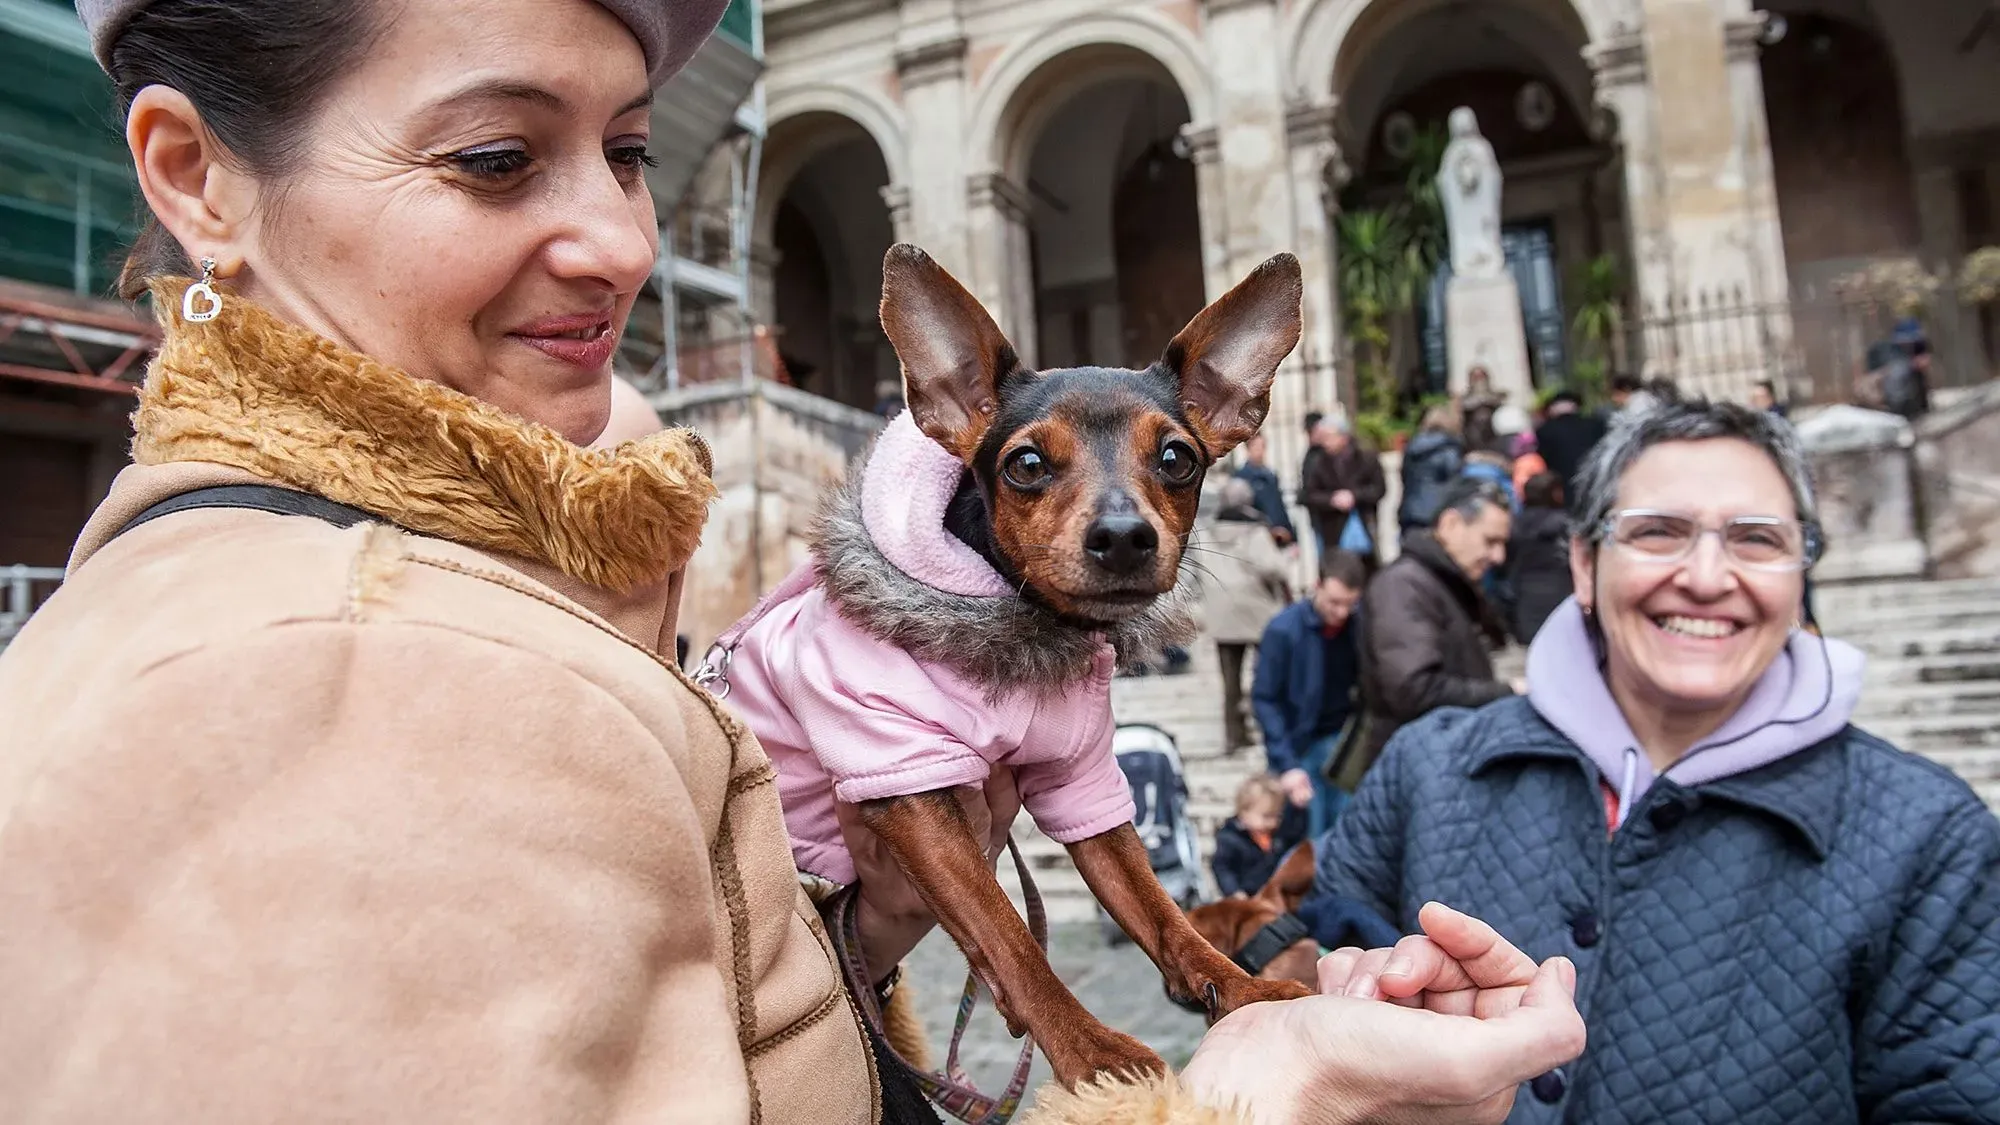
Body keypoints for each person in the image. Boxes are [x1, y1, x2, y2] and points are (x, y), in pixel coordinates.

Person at [0, 4, 1590, 1122]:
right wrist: (1260, 1099)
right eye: (494, 156)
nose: (626, 241)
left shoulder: (497, 588)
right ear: (197, 176)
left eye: (624, 151)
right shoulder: (343, 665)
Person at [1316, 400, 2000, 1124]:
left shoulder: (1930, 838)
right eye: (1657, 532)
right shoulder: (1427, 771)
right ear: (1584, 562)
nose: (1706, 576)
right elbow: (1316, 979)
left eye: (1757, 539)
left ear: (1802, 572)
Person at [1338, 478, 1514, 793]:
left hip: (1435, 763)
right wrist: (1504, 692)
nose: (1498, 556)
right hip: (1414, 774)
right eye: (1490, 541)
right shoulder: (1404, 586)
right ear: (1450, 524)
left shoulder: (1438, 581)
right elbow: (1413, 690)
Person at [1250, 551, 1367, 837]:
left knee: (1347, 834)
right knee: (1307, 842)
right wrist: (1286, 763)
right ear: (1317, 586)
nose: (1341, 613)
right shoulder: (1283, 630)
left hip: (1346, 742)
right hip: (1299, 746)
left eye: (1349, 604)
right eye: (1334, 602)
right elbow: (1265, 699)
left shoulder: (1361, 624)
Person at [1200, 476, 1293, 754]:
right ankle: (1269, 728)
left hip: (1221, 612)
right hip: (1257, 611)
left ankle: (1234, 736)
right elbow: (1273, 568)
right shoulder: (1254, 531)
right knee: (1268, 674)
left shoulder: (1206, 531)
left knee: (1230, 681)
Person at [1302, 414, 1387, 566]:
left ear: (1343, 437)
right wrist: (1332, 500)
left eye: (1329, 436)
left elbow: (1379, 488)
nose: (1325, 442)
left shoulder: (1365, 458)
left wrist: (1354, 496)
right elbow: (1308, 494)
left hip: (1363, 525)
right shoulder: (1316, 461)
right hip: (1332, 531)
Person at [1209, 775, 1308, 898]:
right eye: (1266, 816)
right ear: (1244, 812)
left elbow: (1297, 835)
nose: (1272, 823)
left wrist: (1299, 810)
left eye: (1277, 816)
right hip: (1245, 898)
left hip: (1274, 897)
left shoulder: (1277, 836)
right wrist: (1234, 891)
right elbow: (1223, 869)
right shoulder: (1230, 838)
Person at [1502, 471, 1570, 644]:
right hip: (1561, 596)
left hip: (1523, 598)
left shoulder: (1512, 526)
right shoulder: (1565, 526)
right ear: (1554, 493)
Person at [1398, 404, 1465, 533]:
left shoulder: (1413, 447)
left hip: (1410, 509)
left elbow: (1404, 475)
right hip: (1436, 511)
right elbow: (1456, 479)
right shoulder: (1449, 449)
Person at [1535, 390, 1605, 500]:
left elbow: (1543, 460)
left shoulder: (1544, 430)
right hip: (1596, 484)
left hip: (1564, 489)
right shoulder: (1595, 424)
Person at [1233, 431, 1298, 547]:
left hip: (1280, 536)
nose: (1260, 451)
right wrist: (1268, 528)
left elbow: (1279, 507)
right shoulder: (1242, 477)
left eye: (1262, 446)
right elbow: (1244, 512)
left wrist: (1292, 537)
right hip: (1257, 537)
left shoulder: (1270, 475)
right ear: (1248, 449)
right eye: (1256, 447)